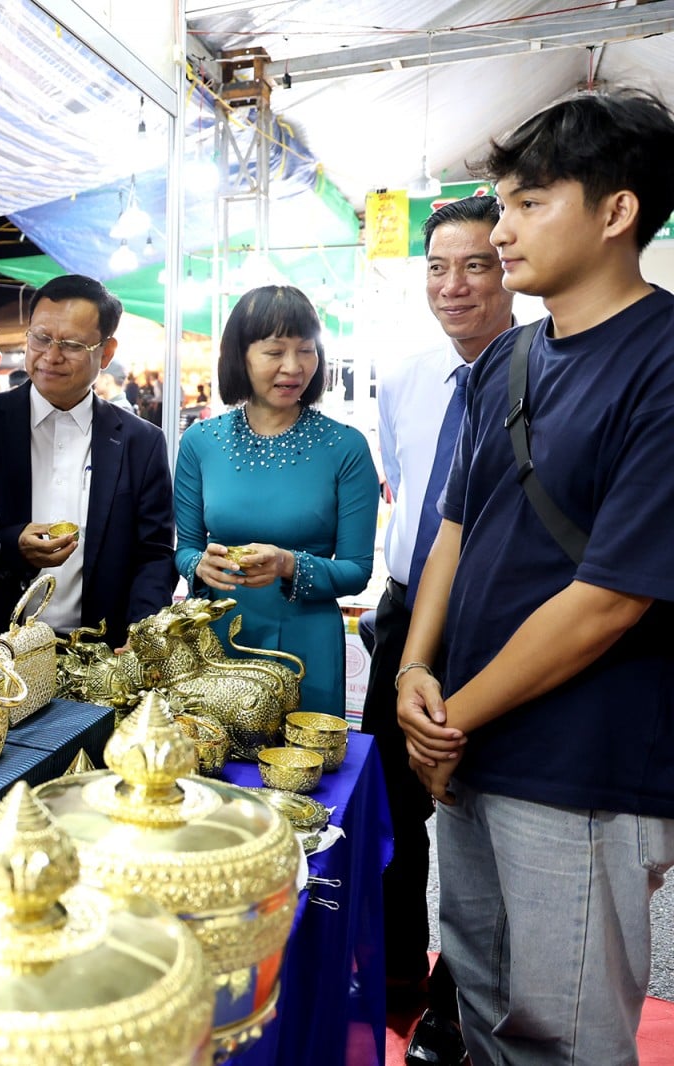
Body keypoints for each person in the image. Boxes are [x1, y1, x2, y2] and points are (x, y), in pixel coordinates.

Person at [398, 89, 674, 1065]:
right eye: (503, 203)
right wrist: (413, 671)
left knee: (565, 1034)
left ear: (616, 211)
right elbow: (453, 527)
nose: (501, 231)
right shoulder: (506, 360)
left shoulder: (660, 361)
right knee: (479, 1000)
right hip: (469, 745)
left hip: (581, 763)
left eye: (529, 203)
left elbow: (609, 600)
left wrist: (447, 718)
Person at [362, 194, 512, 1062]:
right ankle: (395, 974)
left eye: (477, 265)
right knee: (392, 799)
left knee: (478, 806)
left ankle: (459, 1000)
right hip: (404, 612)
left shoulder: (542, 373)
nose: (454, 286)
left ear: (511, 268)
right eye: (438, 267)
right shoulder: (407, 378)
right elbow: (408, 488)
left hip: (497, 623)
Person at [174, 285, 376, 715]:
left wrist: (288, 564)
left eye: (306, 350)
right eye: (274, 351)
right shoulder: (200, 442)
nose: (293, 366)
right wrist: (198, 566)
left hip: (307, 643)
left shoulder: (346, 446)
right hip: (215, 638)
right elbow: (185, 548)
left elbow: (357, 570)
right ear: (240, 356)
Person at [0, 274, 175, 645]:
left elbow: (155, 554)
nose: (51, 356)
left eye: (71, 344)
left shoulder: (141, 442)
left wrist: (141, 634)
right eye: (40, 338)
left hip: (101, 652)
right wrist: (12, 543)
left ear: (106, 352)